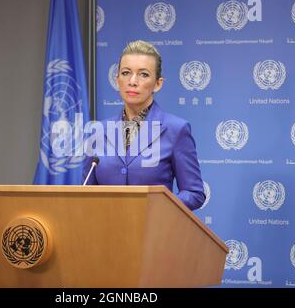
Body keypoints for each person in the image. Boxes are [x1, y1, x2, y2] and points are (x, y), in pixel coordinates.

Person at [83, 40, 205, 211]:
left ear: (158, 83)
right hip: (106, 232)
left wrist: (158, 207)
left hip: (154, 232)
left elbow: (194, 193)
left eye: (143, 74)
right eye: (126, 73)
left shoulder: (176, 130)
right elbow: (85, 193)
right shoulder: (98, 132)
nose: (133, 81)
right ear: (117, 80)